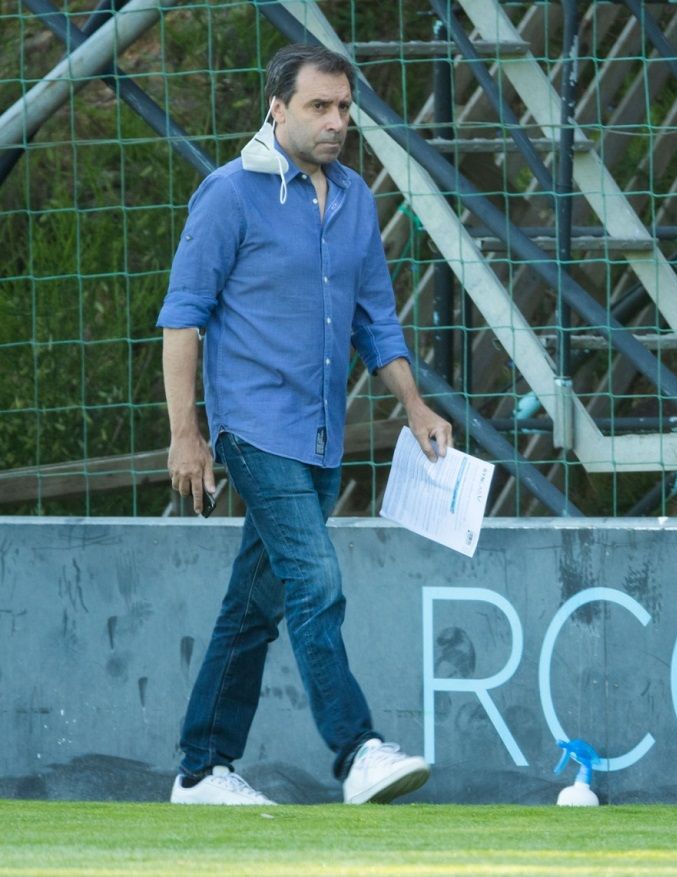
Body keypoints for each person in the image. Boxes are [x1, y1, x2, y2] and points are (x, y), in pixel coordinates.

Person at [156, 43, 452, 806]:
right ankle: (357, 749)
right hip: (253, 430)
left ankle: (201, 767)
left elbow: (376, 320)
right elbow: (182, 319)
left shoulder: (355, 199)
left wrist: (413, 405)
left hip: (321, 432)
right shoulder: (228, 195)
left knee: (253, 604)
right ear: (277, 108)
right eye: (319, 106)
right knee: (315, 579)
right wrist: (186, 434)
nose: (336, 122)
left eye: (345, 108)